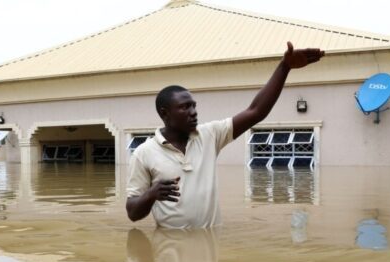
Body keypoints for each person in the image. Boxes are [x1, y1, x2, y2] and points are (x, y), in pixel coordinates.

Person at [126, 42, 324, 228]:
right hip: (168, 251)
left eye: (194, 106)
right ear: (165, 113)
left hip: (206, 251)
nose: (193, 112)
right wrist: (151, 194)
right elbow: (132, 213)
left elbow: (256, 112)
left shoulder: (210, 135)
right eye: (185, 107)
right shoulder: (144, 153)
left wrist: (284, 67)